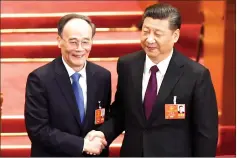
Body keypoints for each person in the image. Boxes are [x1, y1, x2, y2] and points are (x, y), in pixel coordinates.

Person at [87, 3, 218, 157]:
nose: (149, 39)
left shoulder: (196, 74)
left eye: (157, 34)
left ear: (175, 36)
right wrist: (102, 134)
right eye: (145, 31)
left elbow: (206, 133)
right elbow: (121, 112)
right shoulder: (128, 65)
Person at [24, 14, 110, 156]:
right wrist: (83, 145)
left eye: (85, 42)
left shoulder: (102, 76)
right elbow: (38, 130)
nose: (80, 49)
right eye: (73, 42)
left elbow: (101, 117)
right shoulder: (40, 79)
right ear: (59, 41)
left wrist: (99, 135)